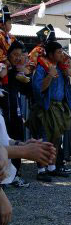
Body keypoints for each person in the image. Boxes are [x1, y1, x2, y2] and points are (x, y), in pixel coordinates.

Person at [28, 41, 71, 181]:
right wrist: (49, 75)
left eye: (62, 51)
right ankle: (41, 170)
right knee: (45, 139)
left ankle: (52, 167)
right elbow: (38, 89)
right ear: (50, 54)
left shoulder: (62, 68)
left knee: (56, 139)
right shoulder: (42, 68)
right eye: (59, 52)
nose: (62, 54)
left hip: (59, 107)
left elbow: (70, 88)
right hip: (46, 107)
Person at [1, 40, 32, 187]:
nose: (18, 58)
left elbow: (30, 92)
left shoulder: (19, 73)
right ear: (8, 55)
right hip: (4, 114)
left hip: (16, 114)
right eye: (14, 54)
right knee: (5, 143)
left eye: (20, 55)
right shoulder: (4, 71)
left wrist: (27, 78)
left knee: (18, 141)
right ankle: (5, 177)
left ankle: (16, 175)